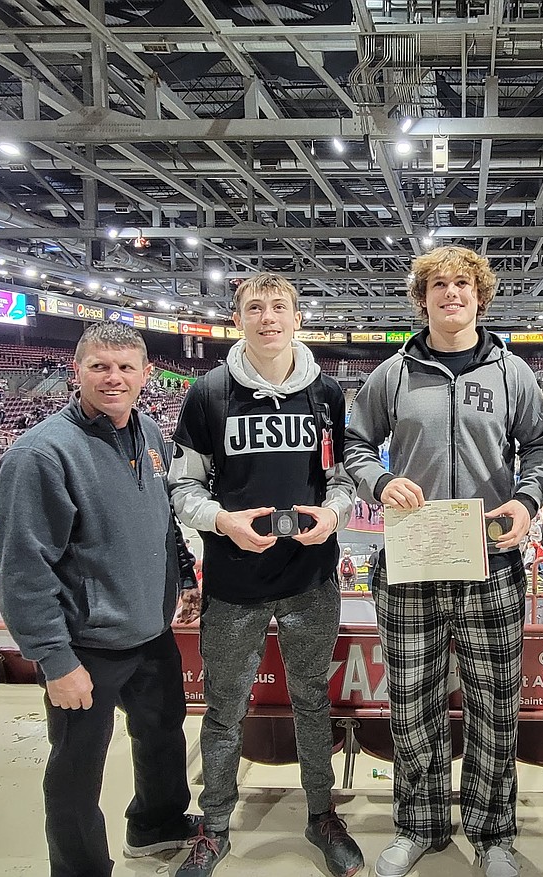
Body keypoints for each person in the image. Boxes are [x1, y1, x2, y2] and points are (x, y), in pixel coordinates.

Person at [344, 245, 543, 877]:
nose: (451, 294)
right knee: (412, 704)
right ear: (422, 298)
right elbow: (354, 445)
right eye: (438, 285)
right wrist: (378, 485)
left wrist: (524, 499)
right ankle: (420, 824)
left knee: (495, 704)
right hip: (410, 562)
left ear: (480, 295)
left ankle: (492, 834)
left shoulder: (512, 372)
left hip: (490, 561)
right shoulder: (393, 374)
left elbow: (541, 447)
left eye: (463, 284)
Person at [168, 273, 362, 877]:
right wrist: (223, 521)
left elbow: (342, 477)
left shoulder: (327, 395)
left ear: (298, 317)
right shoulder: (207, 394)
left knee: (311, 703)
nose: (269, 317)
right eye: (256, 307)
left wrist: (333, 515)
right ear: (239, 318)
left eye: (280, 306)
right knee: (224, 708)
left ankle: (321, 815)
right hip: (233, 582)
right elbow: (183, 485)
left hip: (310, 577)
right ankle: (215, 825)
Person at [0, 322, 202, 877]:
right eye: (100, 367)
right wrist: (55, 660)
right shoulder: (40, 454)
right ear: (77, 371)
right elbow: (22, 569)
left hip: (151, 634)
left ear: (145, 375)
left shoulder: (151, 435)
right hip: (86, 646)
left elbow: (163, 523)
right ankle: (81, 868)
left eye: (126, 367)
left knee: (161, 738)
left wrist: (183, 578)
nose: (114, 378)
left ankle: (156, 826)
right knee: (77, 770)